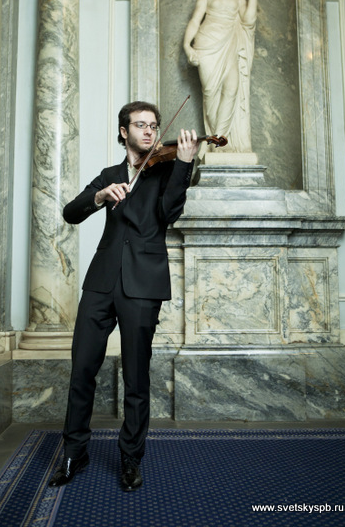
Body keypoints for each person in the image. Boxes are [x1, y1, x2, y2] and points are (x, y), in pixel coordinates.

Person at [49, 101, 198, 492]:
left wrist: (184, 164)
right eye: (141, 125)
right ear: (123, 131)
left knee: (135, 376)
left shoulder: (166, 170)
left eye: (154, 126)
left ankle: (131, 458)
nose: (149, 131)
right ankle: (74, 453)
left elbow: (169, 213)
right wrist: (99, 196)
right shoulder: (109, 176)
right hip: (101, 281)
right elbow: (70, 212)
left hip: (143, 284)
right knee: (82, 369)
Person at [183, 0, 257, 155]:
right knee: (210, 93)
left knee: (232, 89)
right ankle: (216, 141)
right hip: (206, 45)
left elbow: (248, 21)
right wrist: (187, 46)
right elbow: (195, 21)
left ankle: (219, 140)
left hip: (229, 45)